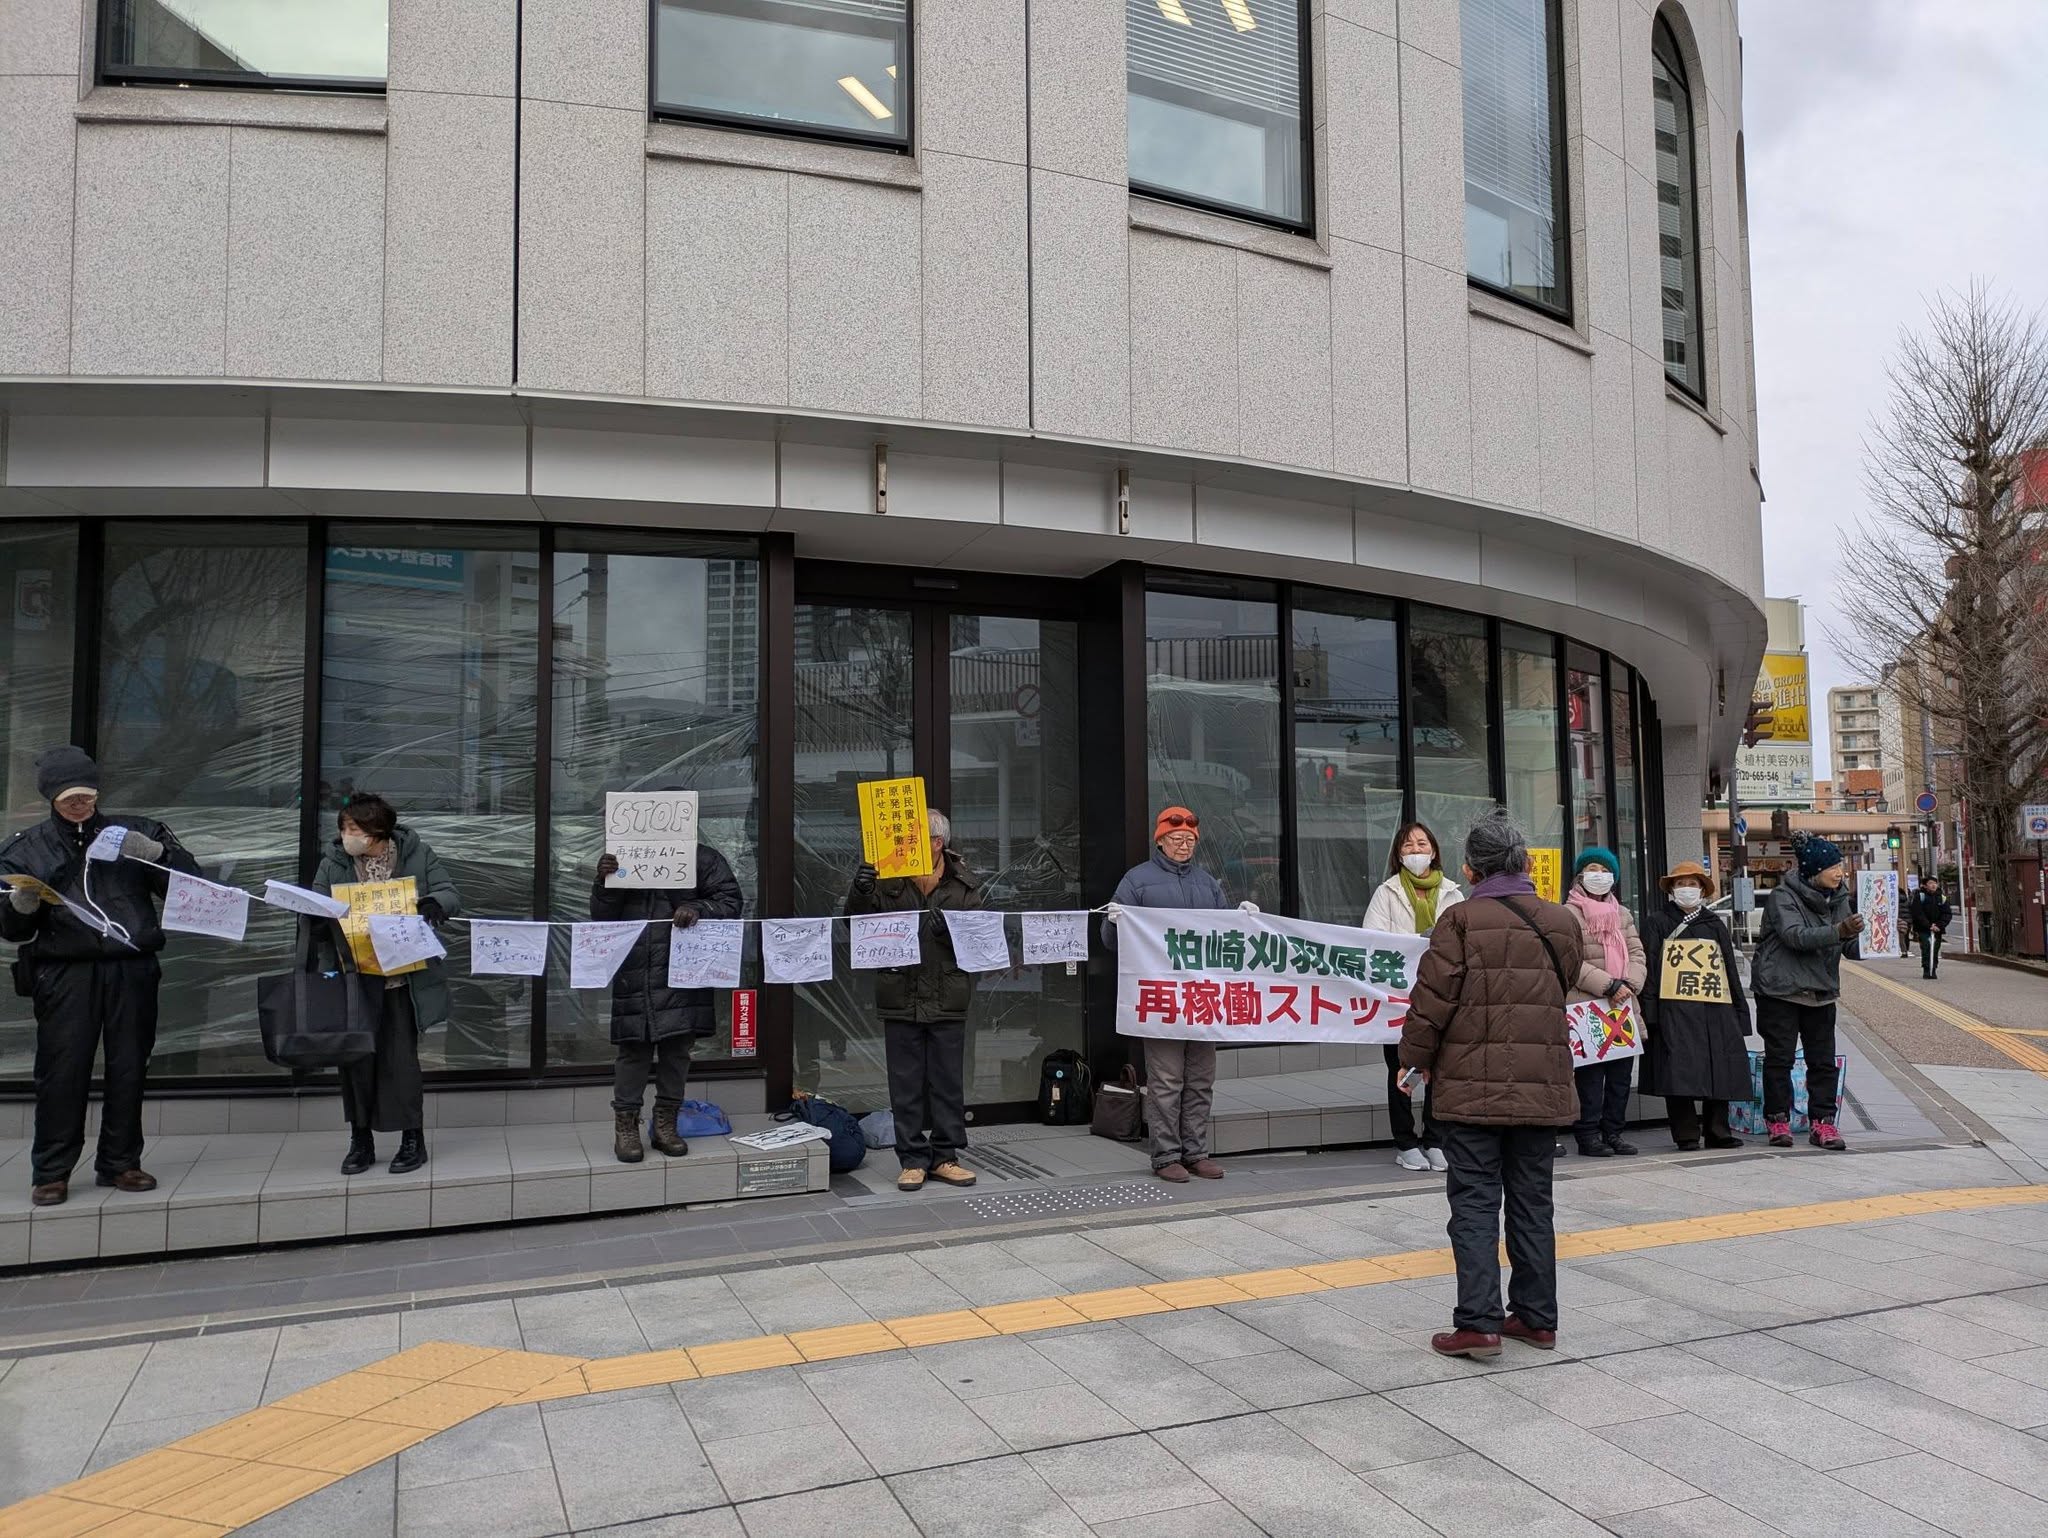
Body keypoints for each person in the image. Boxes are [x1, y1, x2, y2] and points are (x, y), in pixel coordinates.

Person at [1400, 808, 1585, 1359]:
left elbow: (1431, 1002)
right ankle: (1536, 1318)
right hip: (1542, 1086)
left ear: (1470, 869)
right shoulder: (1561, 921)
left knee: (1475, 1204)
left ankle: (1478, 1324)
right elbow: (1562, 983)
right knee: (1533, 1203)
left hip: (1470, 1090)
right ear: (1524, 863)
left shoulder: (1458, 921)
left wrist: (1414, 1061)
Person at [0, 747, 200, 1207]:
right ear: (51, 797)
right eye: (69, 797)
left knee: (129, 1065)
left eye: (87, 795)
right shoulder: (24, 849)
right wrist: (20, 906)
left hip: (131, 966)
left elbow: (192, 890)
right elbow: (12, 931)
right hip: (64, 971)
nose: (80, 804)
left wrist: (159, 855)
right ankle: (52, 1171)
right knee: (62, 1070)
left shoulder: (136, 831)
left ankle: (120, 1161)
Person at [1103, 805, 1257, 1183]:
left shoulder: (1207, 884)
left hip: (1203, 998)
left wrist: (1243, 921)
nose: (1183, 844)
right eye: (1176, 838)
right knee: (1166, 1081)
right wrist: (1114, 923)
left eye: (1189, 839)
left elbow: (1225, 941)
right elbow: (1111, 941)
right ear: (1160, 840)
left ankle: (1196, 1152)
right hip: (1162, 1000)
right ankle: (1166, 1155)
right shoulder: (1137, 881)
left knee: (1201, 1080)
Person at [312, 792, 460, 1176]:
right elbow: (314, 903)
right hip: (354, 978)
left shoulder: (415, 853)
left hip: (402, 978)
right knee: (356, 1062)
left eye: (354, 828)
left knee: (401, 1062)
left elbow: (449, 892)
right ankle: (360, 1140)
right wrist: (316, 919)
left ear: (376, 830)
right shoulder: (334, 861)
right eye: (344, 828)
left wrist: (434, 903)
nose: (347, 835)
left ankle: (412, 1139)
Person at [846, 808, 983, 1193]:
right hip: (900, 992)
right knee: (904, 1083)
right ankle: (911, 1160)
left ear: (936, 843)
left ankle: (945, 1157)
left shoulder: (964, 884)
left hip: (948, 994)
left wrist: (950, 933)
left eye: (912, 837)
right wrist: (860, 891)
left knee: (947, 1081)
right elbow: (855, 925)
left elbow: (981, 940)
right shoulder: (887, 876)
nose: (901, 843)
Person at [592, 837, 744, 1163]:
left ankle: (666, 1126)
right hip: (635, 968)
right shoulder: (624, 856)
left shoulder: (703, 858)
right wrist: (605, 881)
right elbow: (601, 915)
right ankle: (626, 1128)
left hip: (684, 970)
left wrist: (698, 908)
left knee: (677, 1051)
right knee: (633, 1050)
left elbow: (731, 902)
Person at [1362, 821, 1463, 1174]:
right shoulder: (1386, 893)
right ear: (1398, 854)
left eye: (1422, 844)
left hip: (1442, 995)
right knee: (1401, 1069)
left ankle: (1435, 1140)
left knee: (1440, 1068)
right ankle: (1405, 1143)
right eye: (1408, 845)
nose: (1416, 851)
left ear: (1433, 851)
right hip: (1398, 1000)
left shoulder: (1453, 893)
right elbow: (1372, 941)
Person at [1752, 831, 1862, 1152]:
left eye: (1840, 866)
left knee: (1823, 1061)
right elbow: (1795, 936)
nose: (1839, 872)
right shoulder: (1782, 897)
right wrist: (1840, 930)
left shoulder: (1839, 898)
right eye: (1833, 867)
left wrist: (1879, 941)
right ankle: (1777, 1120)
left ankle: (1823, 1123)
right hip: (1780, 990)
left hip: (1821, 991)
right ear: (1814, 870)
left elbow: (1848, 945)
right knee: (1780, 1059)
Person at [1639, 860, 1750, 1150]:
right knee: (1677, 1069)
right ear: (1671, 890)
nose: (1686, 889)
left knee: (1719, 1066)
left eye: (1692, 884)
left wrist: (1739, 1012)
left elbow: (1729, 968)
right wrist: (1650, 1011)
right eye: (1680, 884)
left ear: (1702, 890)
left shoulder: (1714, 924)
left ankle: (1718, 1131)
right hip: (1673, 1008)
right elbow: (1649, 968)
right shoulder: (1657, 923)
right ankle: (1686, 1134)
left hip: (1715, 1007)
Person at [1565, 847, 1647, 1158]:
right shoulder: (1568, 913)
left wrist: (1629, 984)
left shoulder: (1622, 914)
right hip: (1588, 1006)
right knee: (1590, 1078)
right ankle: (1588, 1134)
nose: (1598, 876)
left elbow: (1637, 953)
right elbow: (1570, 960)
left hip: (1622, 1006)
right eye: (1592, 869)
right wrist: (1608, 984)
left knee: (1620, 1077)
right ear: (1580, 875)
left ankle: (1614, 1132)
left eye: (1605, 870)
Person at [1908, 878, 1953, 980]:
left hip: (1937, 929)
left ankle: (1933, 969)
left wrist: (1939, 925)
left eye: (1935, 883)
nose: (1933, 885)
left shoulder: (1941, 898)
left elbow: (1947, 914)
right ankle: (1926, 969)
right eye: (1930, 883)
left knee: (1935, 949)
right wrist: (1928, 925)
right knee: (1926, 947)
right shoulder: (1920, 896)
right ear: (1925, 885)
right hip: (1923, 929)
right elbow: (1917, 913)